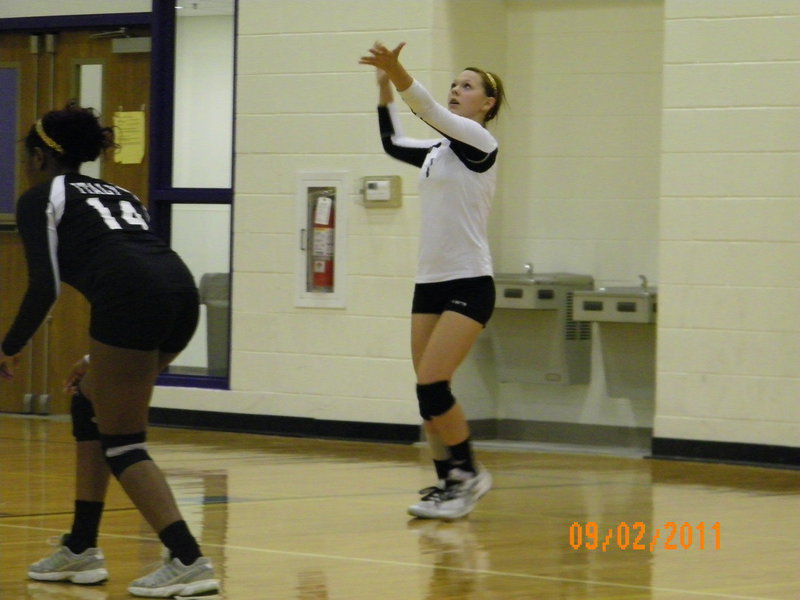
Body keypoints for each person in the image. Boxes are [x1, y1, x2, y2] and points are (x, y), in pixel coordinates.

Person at [0, 103, 219, 598]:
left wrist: (9, 347)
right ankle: (81, 548)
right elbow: (131, 262)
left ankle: (188, 558)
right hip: (182, 294)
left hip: (132, 298)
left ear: (38, 157)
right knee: (89, 401)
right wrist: (101, 360)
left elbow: (44, 287)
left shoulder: (42, 197)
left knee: (123, 441)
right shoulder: (120, 192)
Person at [359, 42, 506, 519]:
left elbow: (426, 109)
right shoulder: (438, 151)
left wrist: (397, 70)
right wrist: (383, 90)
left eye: (467, 86)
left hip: (470, 282)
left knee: (434, 382)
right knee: (426, 395)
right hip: (431, 282)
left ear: (486, 104)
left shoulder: (480, 143)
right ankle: (447, 484)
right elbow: (392, 143)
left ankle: (469, 474)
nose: (457, 90)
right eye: (455, 84)